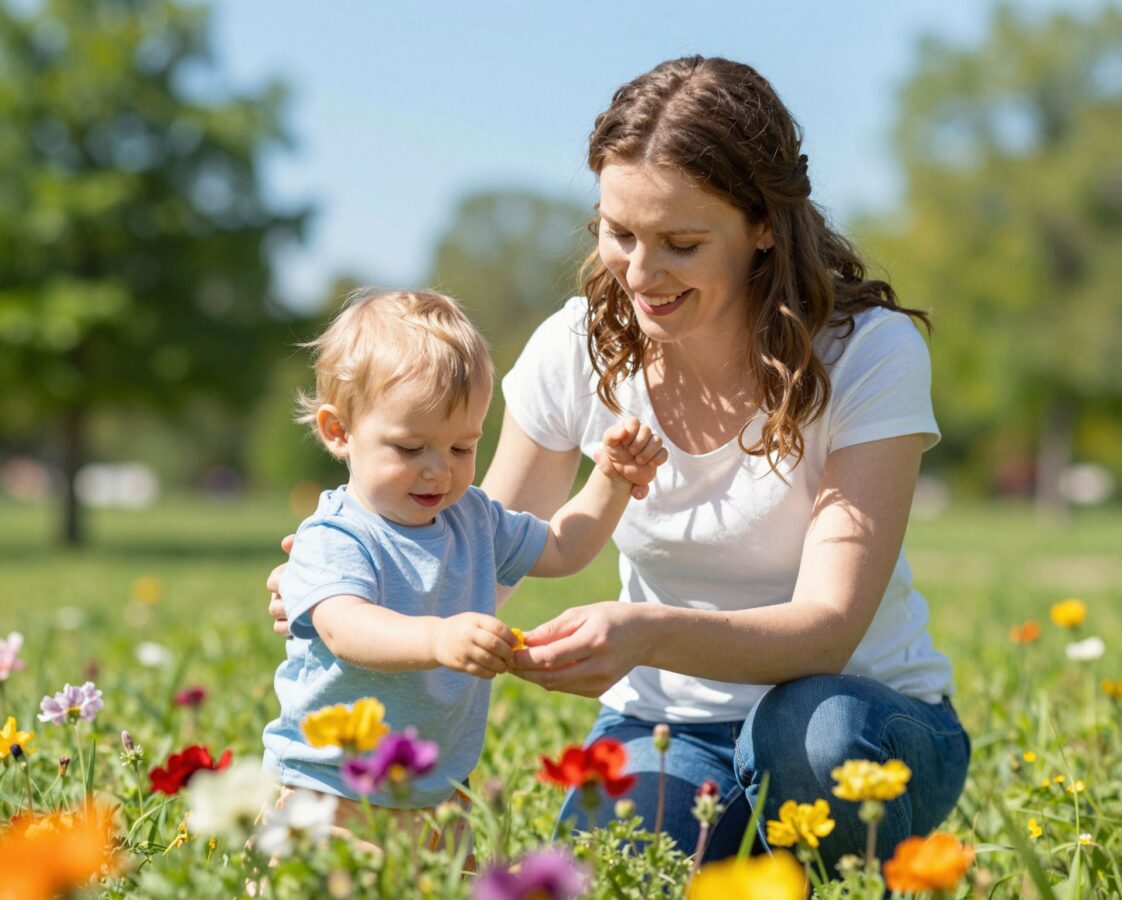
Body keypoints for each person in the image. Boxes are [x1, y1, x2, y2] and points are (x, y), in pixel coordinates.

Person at [268, 56, 970, 873]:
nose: (639, 274)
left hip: (855, 712)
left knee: (811, 738)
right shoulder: (578, 346)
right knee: (614, 867)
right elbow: (470, 548)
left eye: (681, 243)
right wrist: (349, 583)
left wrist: (648, 632)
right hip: (666, 726)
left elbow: (829, 624)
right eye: (619, 233)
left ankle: (829, 872)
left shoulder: (866, 354)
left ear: (765, 225)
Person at [260, 289, 666, 848]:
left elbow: (561, 548)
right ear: (338, 432)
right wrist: (439, 637)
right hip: (332, 791)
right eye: (409, 448)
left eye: (462, 448)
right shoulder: (336, 533)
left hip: (439, 791)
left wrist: (612, 481)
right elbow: (344, 626)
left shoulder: (471, 518)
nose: (438, 471)